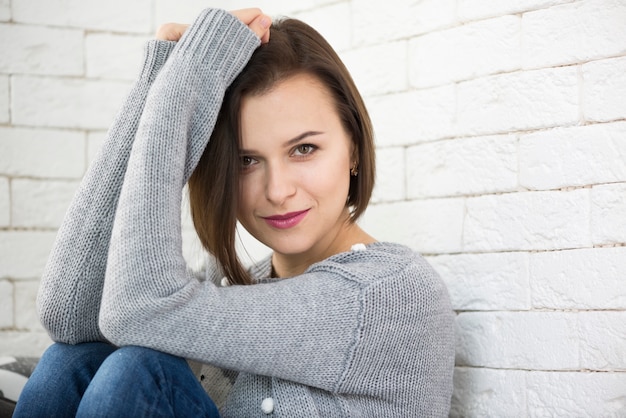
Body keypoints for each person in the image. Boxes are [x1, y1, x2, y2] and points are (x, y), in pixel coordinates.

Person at [14, 7, 455, 417]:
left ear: (353, 149)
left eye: (304, 149)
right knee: (70, 362)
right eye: (246, 161)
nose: (278, 191)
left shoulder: (389, 295)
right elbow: (70, 315)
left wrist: (182, 89)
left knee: (136, 371)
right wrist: (153, 86)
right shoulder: (240, 286)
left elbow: (138, 309)